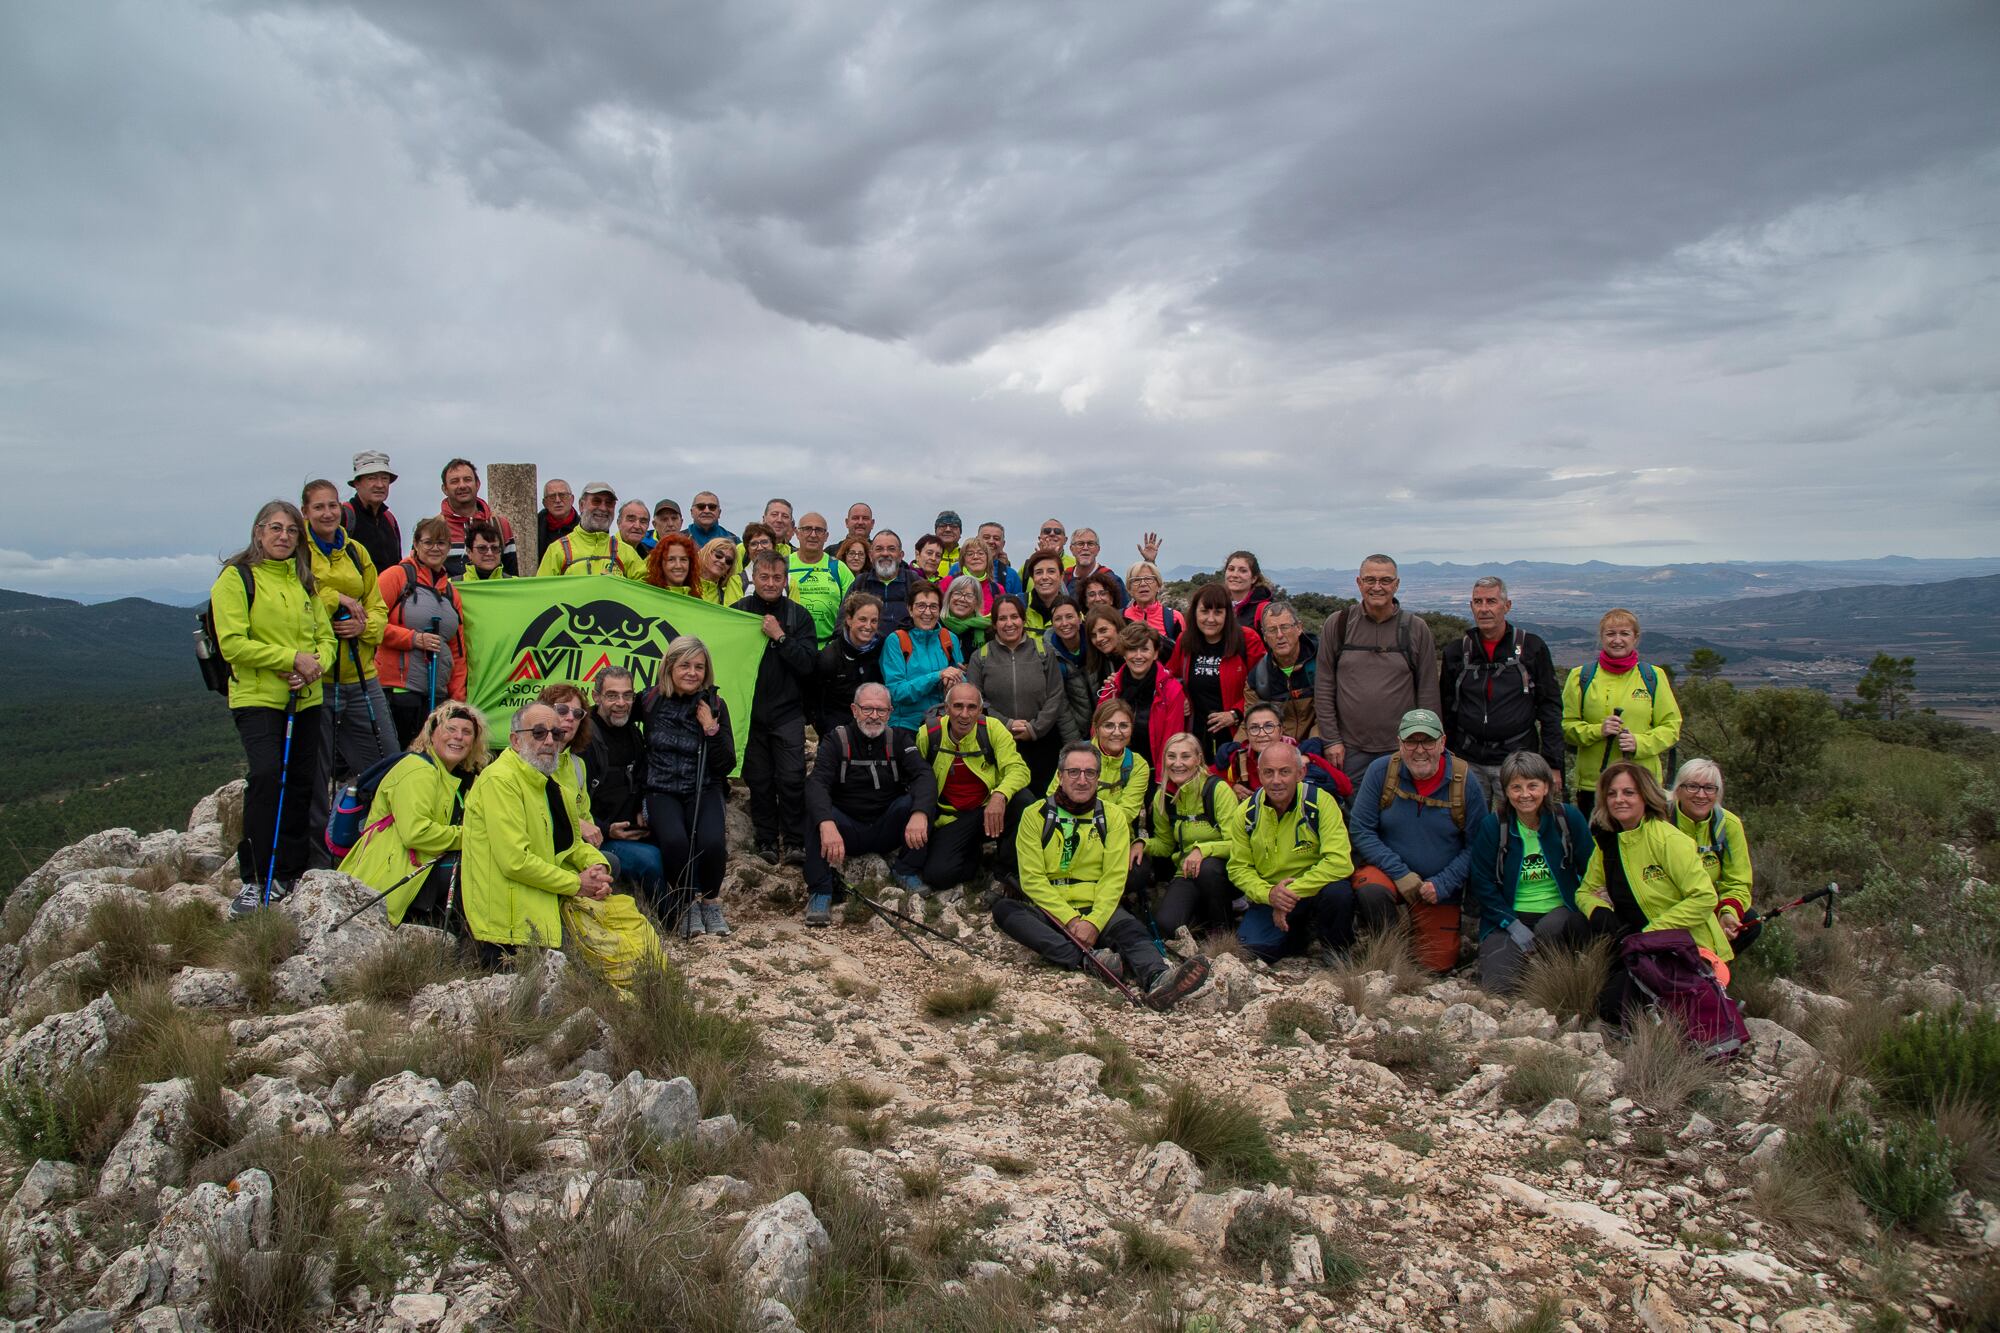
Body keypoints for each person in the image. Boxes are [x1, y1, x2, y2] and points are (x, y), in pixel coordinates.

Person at [993, 741, 1207, 1009]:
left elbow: (1114, 877)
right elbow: (1032, 879)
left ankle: (1159, 978)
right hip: (1053, 908)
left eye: (1090, 773)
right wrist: (1071, 919)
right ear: (1060, 776)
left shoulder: (1113, 817)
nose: (1082, 780)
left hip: (1098, 905)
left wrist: (1092, 922)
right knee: (1005, 910)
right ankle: (1088, 959)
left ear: (1098, 777)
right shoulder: (1034, 816)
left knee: (1131, 930)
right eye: (1073, 772)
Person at [213, 500, 333, 915]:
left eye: (291, 531)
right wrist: (290, 660)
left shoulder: (304, 582)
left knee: (301, 783)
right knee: (266, 778)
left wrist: (314, 666)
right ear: (258, 532)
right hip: (258, 697)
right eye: (275, 528)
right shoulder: (236, 578)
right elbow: (232, 643)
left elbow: (327, 640)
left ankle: (291, 871)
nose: (284, 536)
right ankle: (257, 878)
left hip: (307, 697)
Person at [1579, 761, 1732, 1023]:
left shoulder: (1668, 840)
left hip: (1688, 947)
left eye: (1629, 792)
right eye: (1612, 793)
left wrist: (1654, 932)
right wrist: (1602, 913)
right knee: (1610, 1008)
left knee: (1620, 1009)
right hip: (1641, 945)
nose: (1619, 800)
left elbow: (1704, 897)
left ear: (1645, 796)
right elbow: (1584, 891)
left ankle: (1709, 1002)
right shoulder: (1608, 843)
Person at [461, 702, 614, 964]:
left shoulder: (549, 784)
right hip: (507, 928)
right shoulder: (499, 781)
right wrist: (578, 884)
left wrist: (598, 867)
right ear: (515, 740)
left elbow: (572, 843)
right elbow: (515, 862)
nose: (550, 741)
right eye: (539, 733)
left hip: (539, 915)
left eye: (557, 734)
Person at [301, 480, 399, 861]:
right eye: (318, 507)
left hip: (361, 673)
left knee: (387, 760)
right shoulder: (298, 554)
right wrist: (335, 599)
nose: (327, 514)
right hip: (316, 678)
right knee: (316, 774)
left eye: (332, 507)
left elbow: (377, 606)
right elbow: (298, 593)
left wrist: (365, 628)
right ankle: (318, 858)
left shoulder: (356, 553)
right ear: (306, 511)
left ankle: (378, 846)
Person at [1347, 710, 1485, 971]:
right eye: (1411, 741)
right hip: (1389, 875)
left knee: (1435, 966)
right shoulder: (1381, 771)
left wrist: (1442, 884)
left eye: (1428, 741)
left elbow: (1477, 845)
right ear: (1400, 743)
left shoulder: (1465, 781)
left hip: (1438, 889)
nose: (1419, 750)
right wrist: (1400, 873)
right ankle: (1386, 947)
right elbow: (1361, 828)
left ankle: (1419, 929)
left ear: (1442, 743)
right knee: (1371, 891)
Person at [338, 701, 487, 928]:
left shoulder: (459, 779)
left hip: (415, 875)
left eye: (467, 732)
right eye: (450, 729)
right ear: (432, 734)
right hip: (387, 879)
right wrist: (472, 836)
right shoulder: (418, 770)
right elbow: (415, 833)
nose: (458, 737)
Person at [804, 684, 937, 925]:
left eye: (881, 710)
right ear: (854, 710)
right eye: (867, 709)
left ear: (890, 712)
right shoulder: (836, 740)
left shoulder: (899, 738)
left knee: (920, 803)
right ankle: (821, 890)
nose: (874, 716)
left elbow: (923, 775)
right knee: (817, 814)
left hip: (887, 826)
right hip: (846, 830)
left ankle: (906, 869)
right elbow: (818, 783)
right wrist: (827, 824)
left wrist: (919, 813)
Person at [1467, 752, 1590, 994]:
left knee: (1551, 936)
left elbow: (1590, 867)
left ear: (1546, 787)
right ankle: (1523, 962)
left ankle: (1547, 967)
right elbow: (1482, 882)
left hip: (1559, 912)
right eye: (1516, 787)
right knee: (1498, 988)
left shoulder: (1567, 819)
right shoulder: (1494, 826)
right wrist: (1511, 923)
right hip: (1509, 916)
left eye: (1533, 785)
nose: (1525, 795)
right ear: (1506, 791)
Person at [1314, 554, 1441, 786]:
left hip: (1403, 747)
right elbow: (1323, 686)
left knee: (1401, 814)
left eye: (1385, 580)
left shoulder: (1415, 628)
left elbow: (1428, 692)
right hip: (1349, 750)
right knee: (1354, 815)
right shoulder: (1339, 624)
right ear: (1359, 583)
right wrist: (1331, 741)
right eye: (1370, 580)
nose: (1377, 587)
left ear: (1396, 584)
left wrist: (1426, 745)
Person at [641, 637, 737, 935]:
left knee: (712, 843)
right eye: (684, 665)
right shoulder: (649, 700)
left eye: (699, 666)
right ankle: (685, 904)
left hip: (703, 787)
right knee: (674, 843)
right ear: (670, 667)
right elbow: (614, 722)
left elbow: (726, 763)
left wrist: (711, 727)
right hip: (661, 788)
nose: (692, 673)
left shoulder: (716, 705)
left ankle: (710, 902)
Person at [1441, 577, 1564, 806]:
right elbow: (1447, 709)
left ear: (1506, 606)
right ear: (1471, 606)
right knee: (1470, 828)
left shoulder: (1531, 648)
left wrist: (1553, 763)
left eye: (1492, 601)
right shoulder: (1457, 652)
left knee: (1519, 826)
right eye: (1478, 602)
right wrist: (1447, 758)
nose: (1484, 609)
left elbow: (1550, 708)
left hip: (1518, 760)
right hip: (1468, 760)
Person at [1228, 742, 1355, 964]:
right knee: (1252, 951)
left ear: (1300, 773)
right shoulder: (1245, 813)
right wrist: (1269, 895)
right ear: (1259, 775)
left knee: (1339, 894)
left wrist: (1287, 894)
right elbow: (1239, 868)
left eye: (1284, 772)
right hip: (1270, 895)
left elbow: (1339, 862)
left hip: (1314, 890)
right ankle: (1300, 936)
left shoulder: (1320, 802)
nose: (1276, 780)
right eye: (1269, 772)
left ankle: (1336, 946)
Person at [905, 682, 1034, 891]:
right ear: (946, 709)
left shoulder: (992, 729)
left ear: (980, 710)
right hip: (952, 817)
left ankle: (1006, 869)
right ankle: (974, 854)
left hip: (989, 809)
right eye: (958, 706)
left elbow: (1019, 769)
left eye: (972, 707)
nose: (964, 714)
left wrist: (999, 795)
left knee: (1024, 801)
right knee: (938, 876)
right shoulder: (929, 734)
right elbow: (919, 779)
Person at [734, 551, 817, 862]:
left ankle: (795, 842)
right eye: (764, 577)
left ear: (786, 580)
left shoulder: (798, 616)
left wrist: (780, 637)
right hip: (751, 712)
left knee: (793, 777)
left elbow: (809, 664)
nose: (770, 583)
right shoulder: (738, 612)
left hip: (787, 711)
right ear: (753, 578)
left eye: (777, 578)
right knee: (759, 780)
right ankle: (766, 841)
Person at [1562, 608, 1683, 815]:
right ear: (1602, 638)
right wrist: (1597, 730)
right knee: (1597, 845)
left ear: (1635, 638)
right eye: (1610, 634)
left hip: (1642, 783)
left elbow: (1671, 726)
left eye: (1624, 633)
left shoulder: (1653, 676)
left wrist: (1640, 743)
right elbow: (1565, 727)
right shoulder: (1580, 677)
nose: (1617, 640)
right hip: (1595, 784)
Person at [375, 517, 468, 747]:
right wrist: (413, 639)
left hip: (436, 693)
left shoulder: (450, 592)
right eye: (428, 542)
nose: (435, 548)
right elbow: (371, 624)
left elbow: (457, 650)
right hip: (398, 689)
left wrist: (457, 700)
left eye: (441, 543)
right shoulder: (396, 576)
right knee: (401, 755)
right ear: (416, 544)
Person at [1146, 732, 1241, 941]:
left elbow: (1238, 845)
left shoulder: (1217, 789)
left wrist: (1202, 850)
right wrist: (1140, 844)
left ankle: (1223, 932)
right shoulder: (1163, 795)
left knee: (1208, 869)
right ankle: (1202, 915)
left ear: (1198, 759)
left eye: (1185, 756)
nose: (1177, 763)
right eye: (1171, 756)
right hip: (1187, 873)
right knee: (1166, 925)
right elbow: (1164, 844)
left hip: (1223, 872)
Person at [582, 668, 662, 912]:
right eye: (612, 696)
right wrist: (608, 830)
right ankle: (674, 920)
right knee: (650, 860)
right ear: (596, 697)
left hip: (632, 829)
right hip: (599, 838)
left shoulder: (633, 732)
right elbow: (571, 801)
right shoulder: (583, 739)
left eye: (627, 696)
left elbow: (640, 779)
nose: (621, 703)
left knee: (678, 839)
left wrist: (642, 809)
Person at [969, 596, 1067, 788]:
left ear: (1023, 620)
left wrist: (1034, 728)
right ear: (994, 623)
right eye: (1002, 618)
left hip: (1042, 743)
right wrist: (1007, 724)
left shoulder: (1043, 652)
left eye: (1014, 617)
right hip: (997, 743)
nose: (1009, 623)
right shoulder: (980, 657)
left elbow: (1056, 695)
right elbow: (977, 701)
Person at [1167, 583, 1266, 763]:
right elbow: (1170, 677)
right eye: (1204, 611)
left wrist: (1235, 713)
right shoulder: (1186, 641)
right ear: (1194, 613)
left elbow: (1262, 687)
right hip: (1196, 732)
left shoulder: (1246, 640)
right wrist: (1181, 697)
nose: (1210, 619)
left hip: (1235, 735)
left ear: (1227, 614)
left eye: (1218, 612)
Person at [1671, 758, 1757, 950]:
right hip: (1670, 904)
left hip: (1709, 905)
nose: (1701, 795)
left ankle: (1713, 969)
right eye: (1692, 787)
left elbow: (1738, 881)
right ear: (1678, 789)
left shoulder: (1729, 825)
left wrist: (1728, 912)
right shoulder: (1661, 821)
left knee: (1750, 922)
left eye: (1710, 788)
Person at [1097, 621, 1188, 773]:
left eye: (1145, 649)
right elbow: (1098, 731)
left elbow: (1172, 742)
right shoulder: (1112, 687)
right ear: (1124, 653)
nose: (1138, 656)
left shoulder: (1171, 690)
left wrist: (1163, 783)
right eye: (1132, 649)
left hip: (1153, 772)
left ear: (1156, 653)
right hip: (1114, 773)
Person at [1209, 701, 1347, 801]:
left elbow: (1345, 788)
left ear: (1281, 730)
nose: (1262, 734)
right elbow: (1206, 778)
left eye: (1269, 726)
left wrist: (1311, 758)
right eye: (1254, 728)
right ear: (1247, 732)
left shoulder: (1298, 753)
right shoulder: (1238, 757)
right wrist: (1231, 787)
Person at [1050, 698, 1150, 832]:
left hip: (1115, 835)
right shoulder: (1075, 755)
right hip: (1069, 831)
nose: (1117, 732)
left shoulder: (1138, 765)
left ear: (1132, 729)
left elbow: (1126, 813)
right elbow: (1053, 798)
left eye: (1124, 726)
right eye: (1108, 725)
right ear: (1096, 728)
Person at [882, 581, 966, 731]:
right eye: (921, 606)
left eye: (933, 607)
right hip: (907, 724)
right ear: (910, 609)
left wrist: (955, 682)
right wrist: (938, 676)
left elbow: (962, 683)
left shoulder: (949, 639)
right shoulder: (897, 640)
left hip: (944, 723)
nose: (927, 612)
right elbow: (896, 692)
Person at [535, 682, 603, 850]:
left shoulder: (578, 764)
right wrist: (576, 824)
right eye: (562, 710)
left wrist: (594, 862)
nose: (571, 718)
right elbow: (531, 812)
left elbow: (586, 818)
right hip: (540, 851)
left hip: (573, 851)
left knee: (607, 865)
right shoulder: (528, 758)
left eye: (578, 713)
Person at [537, 482, 647, 578]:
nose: (603, 508)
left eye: (609, 503)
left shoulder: (626, 552)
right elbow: (541, 593)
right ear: (581, 505)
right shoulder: (557, 550)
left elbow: (649, 590)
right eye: (596, 501)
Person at [1244, 601, 1318, 740]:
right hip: (1278, 749)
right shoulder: (1258, 678)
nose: (1279, 635)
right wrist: (1236, 750)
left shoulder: (1322, 662)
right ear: (1264, 636)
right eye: (1272, 630)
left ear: (1299, 628)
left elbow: (1331, 713)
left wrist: (1316, 742)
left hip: (1321, 745)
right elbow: (1250, 722)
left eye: (1285, 627)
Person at [817, 593, 885, 737]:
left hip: (875, 727)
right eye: (862, 619)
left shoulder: (883, 649)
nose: (868, 626)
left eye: (874, 621)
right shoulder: (830, 656)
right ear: (849, 619)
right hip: (837, 731)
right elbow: (817, 702)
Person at [438, 458, 517, 578]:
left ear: (478, 484)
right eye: (454, 481)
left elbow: (511, 574)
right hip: (448, 596)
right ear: (445, 489)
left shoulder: (499, 525)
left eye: (467, 480)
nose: (462, 485)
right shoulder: (434, 528)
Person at [787, 512, 855, 647]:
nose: (813, 535)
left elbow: (855, 608)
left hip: (829, 650)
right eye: (807, 529)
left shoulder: (839, 568)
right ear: (797, 533)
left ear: (826, 536)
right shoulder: (783, 566)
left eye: (819, 530)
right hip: (791, 648)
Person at [343, 450, 402, 575]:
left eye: (385, 478)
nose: (380, 485)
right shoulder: (344, 516)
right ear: (357, 483)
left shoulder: (389, 519)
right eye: (372, 478)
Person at [1043, 596, 1091, 743]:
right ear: (1052, 623)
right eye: (1058, 619)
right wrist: (1075, 743)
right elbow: (1061, 707)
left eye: (1069, 617)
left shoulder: (1095, 643)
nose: (1064, 623)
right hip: (1077, 730)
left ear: (1079, 617)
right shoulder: (1049, 656)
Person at [857, 530, 916, 633]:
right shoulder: (860, 583)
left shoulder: (914, 582)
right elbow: (843, 622)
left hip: (906, 646)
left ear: (901, 556)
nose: (885, 553)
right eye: (879, 549)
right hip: (868, 647)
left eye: (891, 549)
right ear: (871, 556)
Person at [1122, 562, 1182, 649]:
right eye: (1136, 580)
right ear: (1129, 589)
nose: (1143, 584)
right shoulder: (1121, 617)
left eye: (1148, 579)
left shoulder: (1174, 618)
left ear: (1158, 586)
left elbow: (1184, 655)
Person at [1080, 608, 1125, 720]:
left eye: (1103, 630)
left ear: (1117, 627)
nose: (1099, 639)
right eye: (1093, 635)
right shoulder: (1096, 663)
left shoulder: (1138, 657)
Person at [1066, 528, 1125, 605]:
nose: (1085, 548)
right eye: (1080, 544)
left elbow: (1124, 612)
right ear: (1072, 549)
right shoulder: (1064, 579)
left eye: (1090, 544)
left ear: (1098, 550)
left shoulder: (1112, 580)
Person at [942, 575, 993, 656]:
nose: (962, 599)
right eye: (957, 593)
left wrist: (971, 667)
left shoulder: (987, 630)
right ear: (949, 597)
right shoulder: (936, 625)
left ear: (976, 602)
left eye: (969, 596)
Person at [1222, 551, 1274, 630]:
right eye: (1231, 569)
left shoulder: (1265, 611)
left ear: (1254, 578)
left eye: (1243, 571)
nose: (1235, 575)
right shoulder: (1218, 605)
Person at [970, 521, 1024, 596]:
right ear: (976, 540)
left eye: (996, 538)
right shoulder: (958, 568)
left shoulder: (1012, 575)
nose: (991, 541)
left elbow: (1018, 605)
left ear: (1003, 544)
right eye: (986, 537)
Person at [1022, 550, 1068, 633]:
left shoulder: (1072, 610)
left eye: (1051, 571)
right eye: (1039, 572)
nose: (1044, 577)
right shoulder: (1017, 605)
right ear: (1032, 577)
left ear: (1061, 576)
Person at [537, 479, 579, 557]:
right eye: (552, 497)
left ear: (572, 499)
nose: (557, 500)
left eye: (562, 495)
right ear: (544, 503)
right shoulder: (534, 527)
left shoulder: (584, 527)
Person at [697, 537, 741, 605]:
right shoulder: (683, 583)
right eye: (719, 555)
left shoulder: (727, 596)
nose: (723, 561)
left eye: (728, 561)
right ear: (706, 553)